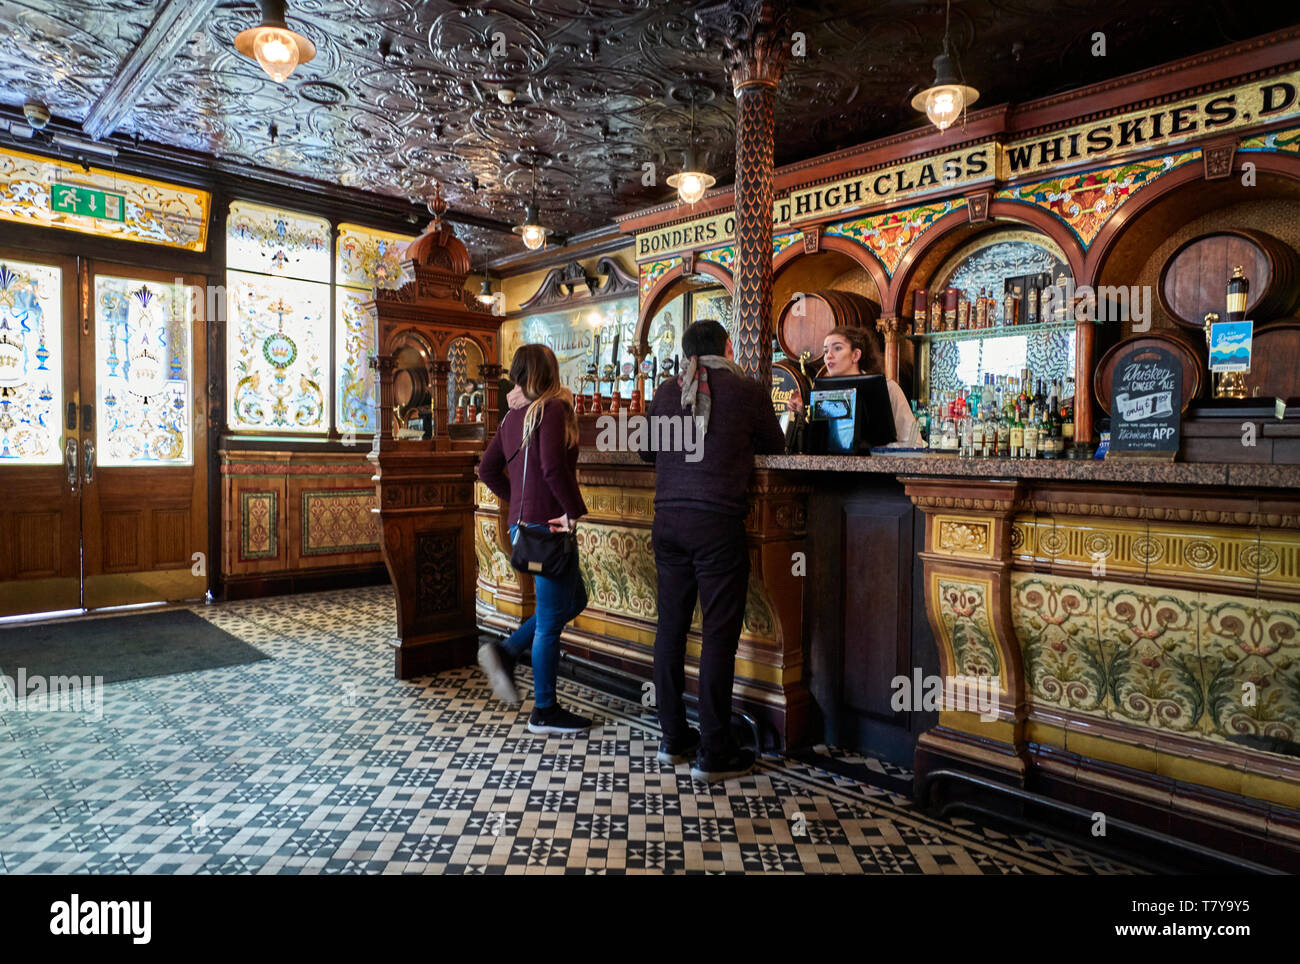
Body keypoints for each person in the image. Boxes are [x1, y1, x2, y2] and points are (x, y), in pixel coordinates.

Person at [640, 319, 785, 783]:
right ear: (727, 346)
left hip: (668, 522)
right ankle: (715, 750)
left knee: (672, 631)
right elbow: (776, 447)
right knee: (718, 637)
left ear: (686, 354)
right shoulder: (746, 391)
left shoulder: (665, 393)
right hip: (717, 523)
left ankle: (672, 739)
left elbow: (647, 452)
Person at [476, 344, 594, 735]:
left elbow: (487, 469)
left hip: (525, 527)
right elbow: (551, 467)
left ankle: (506, 652)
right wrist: (573, 511)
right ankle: (545, 710)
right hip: (549, 528)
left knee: (574, 599)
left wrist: (518, 506)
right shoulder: (552, 409)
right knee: (548, 626)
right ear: (551, 372)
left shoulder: (514, 416)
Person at [785, 325, 921, 446]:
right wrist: (801, 412)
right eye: (826, 351)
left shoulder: (888, 389)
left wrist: (880, 451)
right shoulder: (823, 393)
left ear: (856, 355)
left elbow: (914, 443)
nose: (829, 356)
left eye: (837, 348)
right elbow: (825, 442)